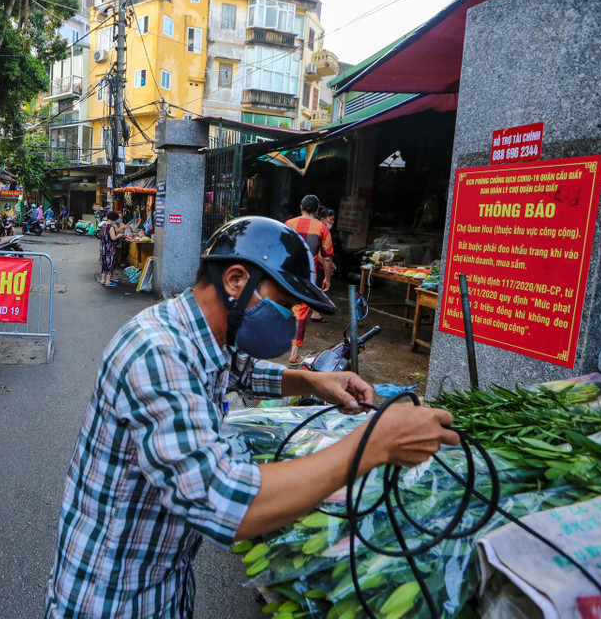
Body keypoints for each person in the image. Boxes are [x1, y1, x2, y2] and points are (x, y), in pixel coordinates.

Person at [44, 216, 458, 618]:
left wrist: (316, 382)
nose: (293, 318)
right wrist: (373, 444)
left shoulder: (204, 334)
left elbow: (243, 370)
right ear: (237, 281)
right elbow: (222, 500)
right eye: (285, 304)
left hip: (163, 579)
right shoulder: (159, 350)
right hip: (115, 594)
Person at [285, 194, 334, 364]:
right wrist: (327, 278)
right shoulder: (322, 229)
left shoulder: (289, 224)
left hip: (287, 272)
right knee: (301, 312)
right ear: (317, 210)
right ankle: (294, 353)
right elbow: (327, 258)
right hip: (308, 275)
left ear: (301, 207)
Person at [98, 210, 123, 286]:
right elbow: (113, 238)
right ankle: (108, 281)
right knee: (110, 264)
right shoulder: (110, 227)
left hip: (103, 248)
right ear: (114, 219)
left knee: (104, 264)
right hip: (110, 248)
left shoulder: (104, 225)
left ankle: (103, 280)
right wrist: (119, 235)